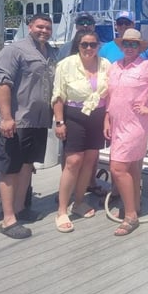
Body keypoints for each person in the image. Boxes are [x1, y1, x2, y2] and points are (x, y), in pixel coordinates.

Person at [0, 13, 58, 239]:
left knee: (26, 166)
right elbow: (3, 83)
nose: (44, 31)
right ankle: (8, 219)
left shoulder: (51, 52)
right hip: (17, 120)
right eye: (40, 26)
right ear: (30, 26)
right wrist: (6, 118)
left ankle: (20, 208)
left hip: (38, 121)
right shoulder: (14, 50)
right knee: (10, 168)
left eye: (48, 28)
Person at [104, 28, 148, 236]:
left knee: (117, 168)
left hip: (136, 124)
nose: (130, 47)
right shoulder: (114, 67)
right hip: (117, 123)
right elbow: (110, 95)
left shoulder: (146, 66)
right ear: (121, 46)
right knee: (131, 168)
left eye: (134, 44)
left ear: (139, 47)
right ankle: (136, 205)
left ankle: (131, 216)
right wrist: (107, 116)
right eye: (126, 44)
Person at [52, 30, 111, 233]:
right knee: (73, 161)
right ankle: (61, 210)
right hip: (74, 115)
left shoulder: (106, 65)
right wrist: (60, 122)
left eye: (93, 45)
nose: (88, 48)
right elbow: (58, 96)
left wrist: (107, 119)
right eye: (84, 44)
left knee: (90, 160)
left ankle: (78, 203)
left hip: (98, 116)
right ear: (78, 45)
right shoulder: (65, 65)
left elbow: (110, 95)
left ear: (98, 46)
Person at [57, 13, 107, 198]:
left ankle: (90, 183)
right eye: (81, 22)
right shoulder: (65, 50)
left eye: (89, 22)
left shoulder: (101, 55)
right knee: (71, 155)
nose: (85, 25)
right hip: (72, 108)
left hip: (96, 112)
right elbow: (59, 84)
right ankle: (67, 191)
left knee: (91, 155)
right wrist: (59, 119)